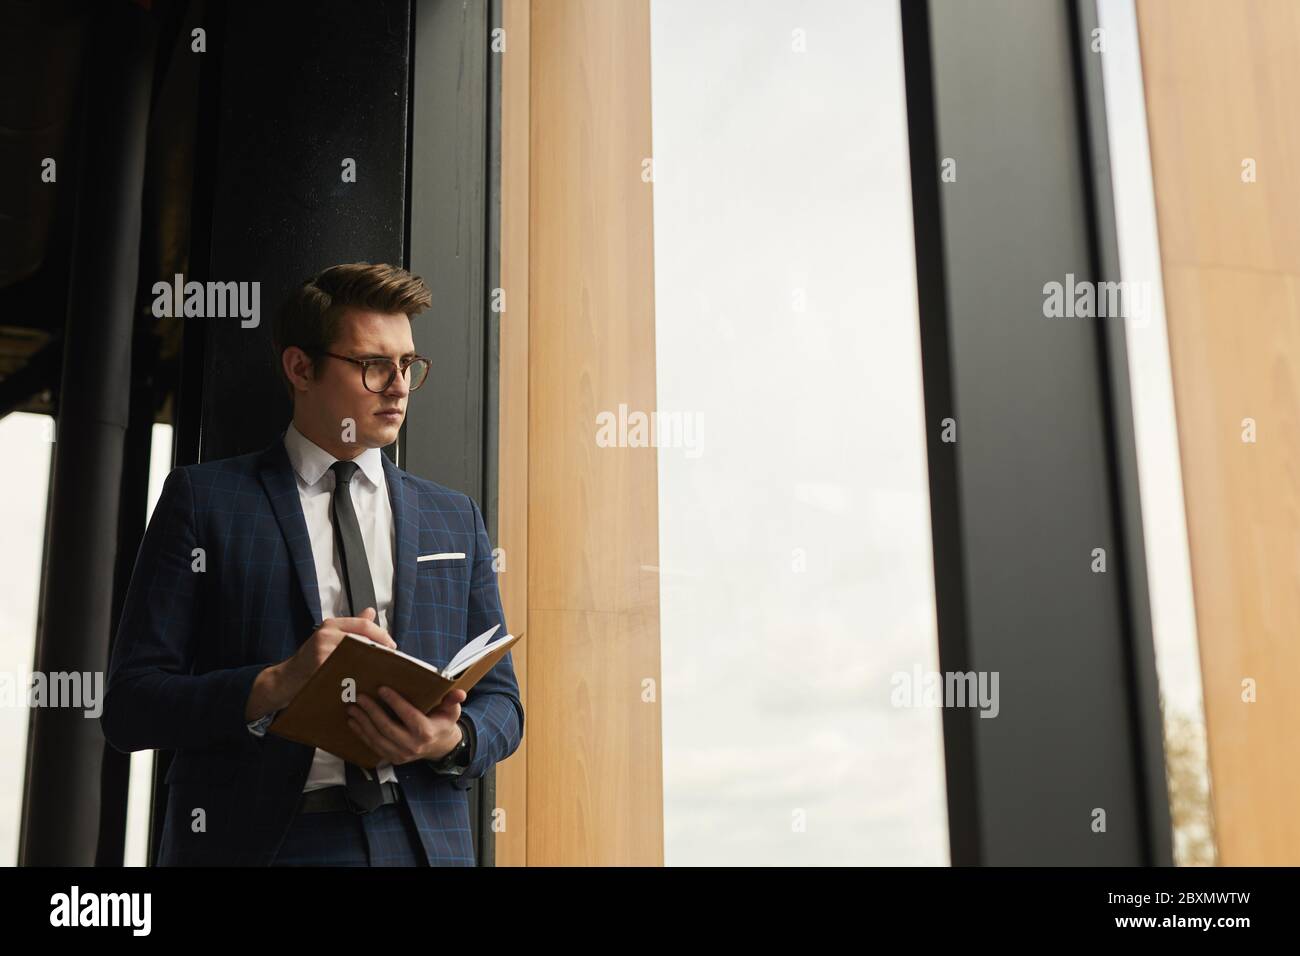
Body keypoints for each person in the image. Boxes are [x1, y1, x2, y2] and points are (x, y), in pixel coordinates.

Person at [101, 262, 523, 866]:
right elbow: (131, 707)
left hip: (421, 844)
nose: (398, 386)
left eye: (407, 365)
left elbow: (504, 704)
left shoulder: (453, 517)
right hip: (262, 847)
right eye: (373, 366)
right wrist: (274, 684)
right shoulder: (205, 501)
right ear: (301, 368)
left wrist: (448, 738)